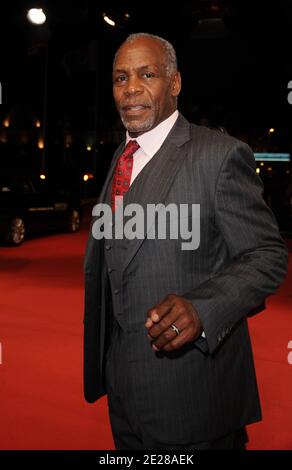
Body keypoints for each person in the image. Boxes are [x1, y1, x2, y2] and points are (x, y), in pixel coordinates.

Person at [83, 33, 288, 450]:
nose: (131, 87)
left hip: (193, 400)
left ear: (174, 84)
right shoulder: (119, 158)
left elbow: (267, 255)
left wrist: (204, 308)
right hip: (122, 390)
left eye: (147, 74)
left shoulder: (219, 156)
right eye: (121, 77)